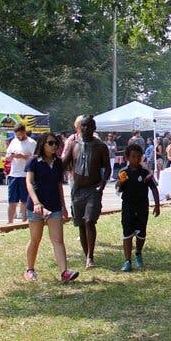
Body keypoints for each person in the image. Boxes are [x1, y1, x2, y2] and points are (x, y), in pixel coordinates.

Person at [23, 133, 79, 283]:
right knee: (35, 239)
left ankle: (64, 272)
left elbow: (58, 185)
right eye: (51, 143)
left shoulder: (58, 162)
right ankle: (30, 269)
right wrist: (36, 203)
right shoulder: (33, 162)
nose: (55, 146)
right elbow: (29, 183)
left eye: (57, 144)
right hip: (36, 207)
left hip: (54, 206)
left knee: (58, 240)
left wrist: (63, 206)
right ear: (43, 144)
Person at [63, 115, 111, 268]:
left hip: (93, 188)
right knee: (81, 224)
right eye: (83, 126)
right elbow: (64, 163)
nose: (86, 129)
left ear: (94, 128)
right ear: (79, 128)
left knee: (89, 220)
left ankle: (90, 257)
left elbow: (107, 168)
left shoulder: (100, 146)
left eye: (89, 126)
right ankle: (87, 256)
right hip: (77, 189)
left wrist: (102, 185)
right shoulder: (74, 144)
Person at [116, 143, 161, 272]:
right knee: (127, 233)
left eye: (138, 157)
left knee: (141, 233)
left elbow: (154, 189)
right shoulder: (124, 172)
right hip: (128, 207)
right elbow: (118, 189)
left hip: (142, 207)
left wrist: (157, 205)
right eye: (133, 157)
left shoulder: (146, 173)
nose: (135, 159)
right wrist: (120, 183)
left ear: (141, 157)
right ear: (127, 158)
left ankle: (138, 254)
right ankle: (127, 261)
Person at [5, 125, 37, 224]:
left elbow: (35, 158)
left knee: (24, 201)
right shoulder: (14, 141)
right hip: (13, 174)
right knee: (12, 201)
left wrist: (22, 156)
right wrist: (9, 157)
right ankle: (10, 222)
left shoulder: (32, 143)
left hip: (25, 174)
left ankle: (24, 221)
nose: (18, 137)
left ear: (24, 132)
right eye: (17, 135)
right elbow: (7, 155)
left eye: (20, 135)